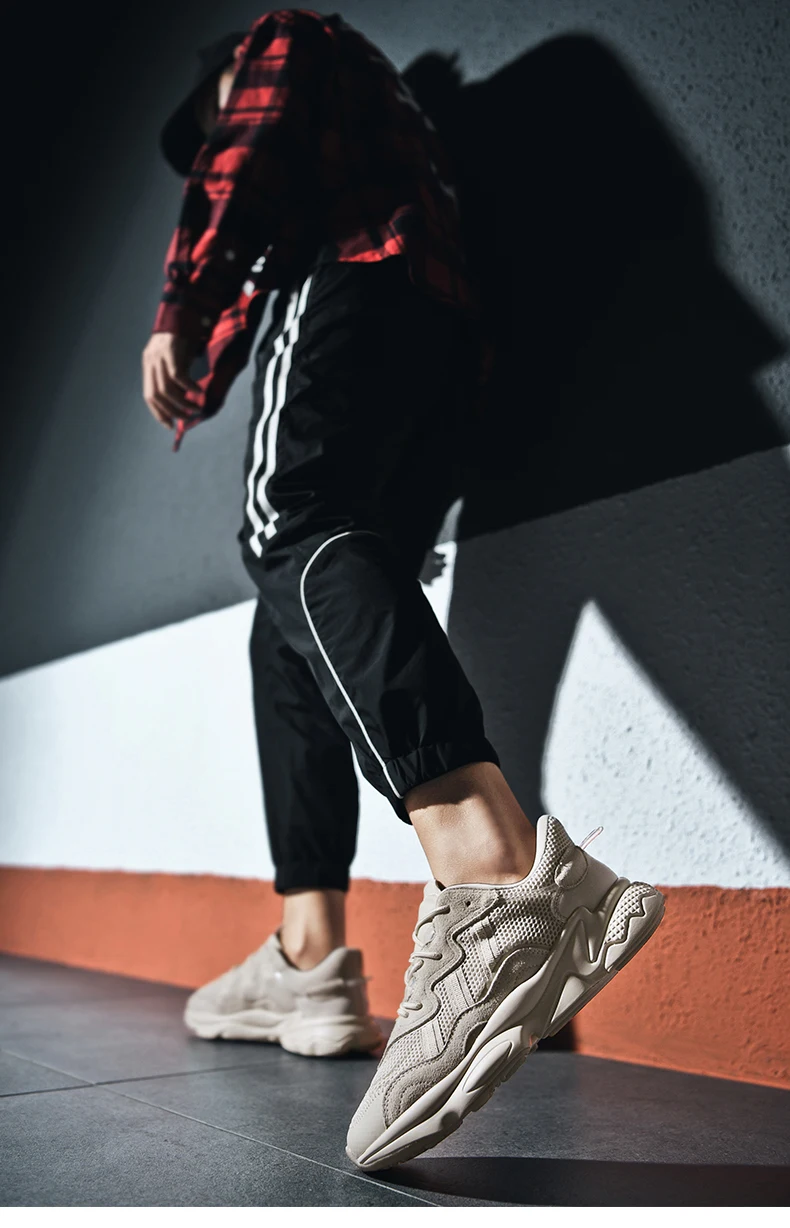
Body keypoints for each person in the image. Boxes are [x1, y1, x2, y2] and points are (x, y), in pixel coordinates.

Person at [142, 9, 664, 1172]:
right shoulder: (391, 156)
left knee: (290, 525)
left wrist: (180, 309)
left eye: (210, 122)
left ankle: (494, 875)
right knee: (293, 625)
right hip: (439, 346)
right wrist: (212, 349)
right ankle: (309, 955)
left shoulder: (282, 43)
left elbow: (245, 154)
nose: (213, 144)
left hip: (353, 281)